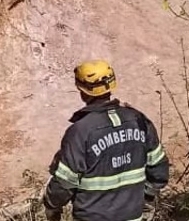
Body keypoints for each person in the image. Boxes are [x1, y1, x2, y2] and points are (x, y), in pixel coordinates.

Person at [42, 60, 170, 221]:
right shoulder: (139, 120)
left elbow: (65, 182)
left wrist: (51, 205)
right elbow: (159, 168)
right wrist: (147, 199)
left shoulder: (80, 131)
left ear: (82, 91)